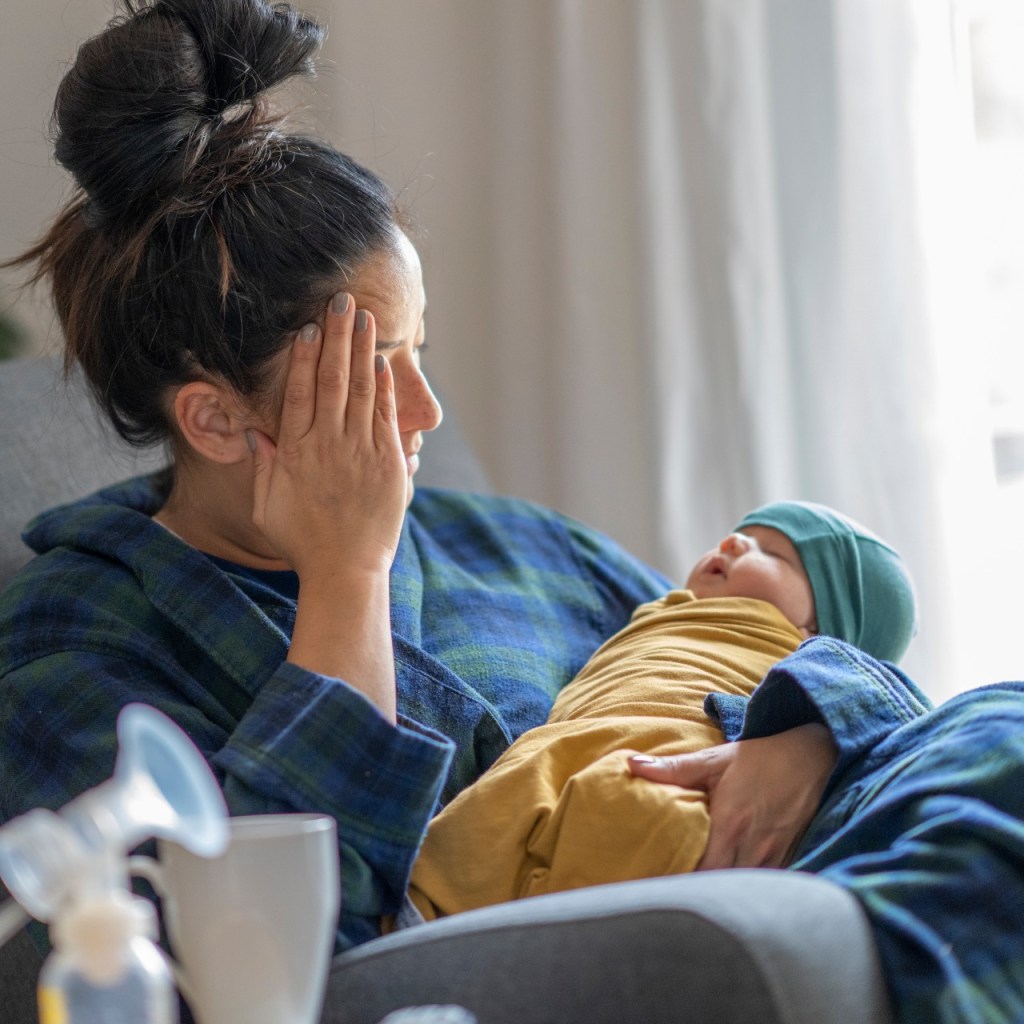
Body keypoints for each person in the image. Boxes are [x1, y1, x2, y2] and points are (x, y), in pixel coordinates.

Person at [1, 3, 1023, 1024]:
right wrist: (347, 576)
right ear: (216, 419)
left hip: (814, 857)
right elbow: (231, 972)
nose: (428, 412)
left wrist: (806, 737)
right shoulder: (69, 640)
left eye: (421, 352)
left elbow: (721, 646)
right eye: (375, 370)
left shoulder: (522, 547)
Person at [406, 501, 917, 920]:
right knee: (468, 839)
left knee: (644, 815)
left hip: (670, 756)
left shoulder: (805, 654)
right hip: (565, 747)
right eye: (741, 534)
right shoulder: (660, 610)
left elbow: (873, 704)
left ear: (818, 628)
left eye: (775, 554)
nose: (733, 543)